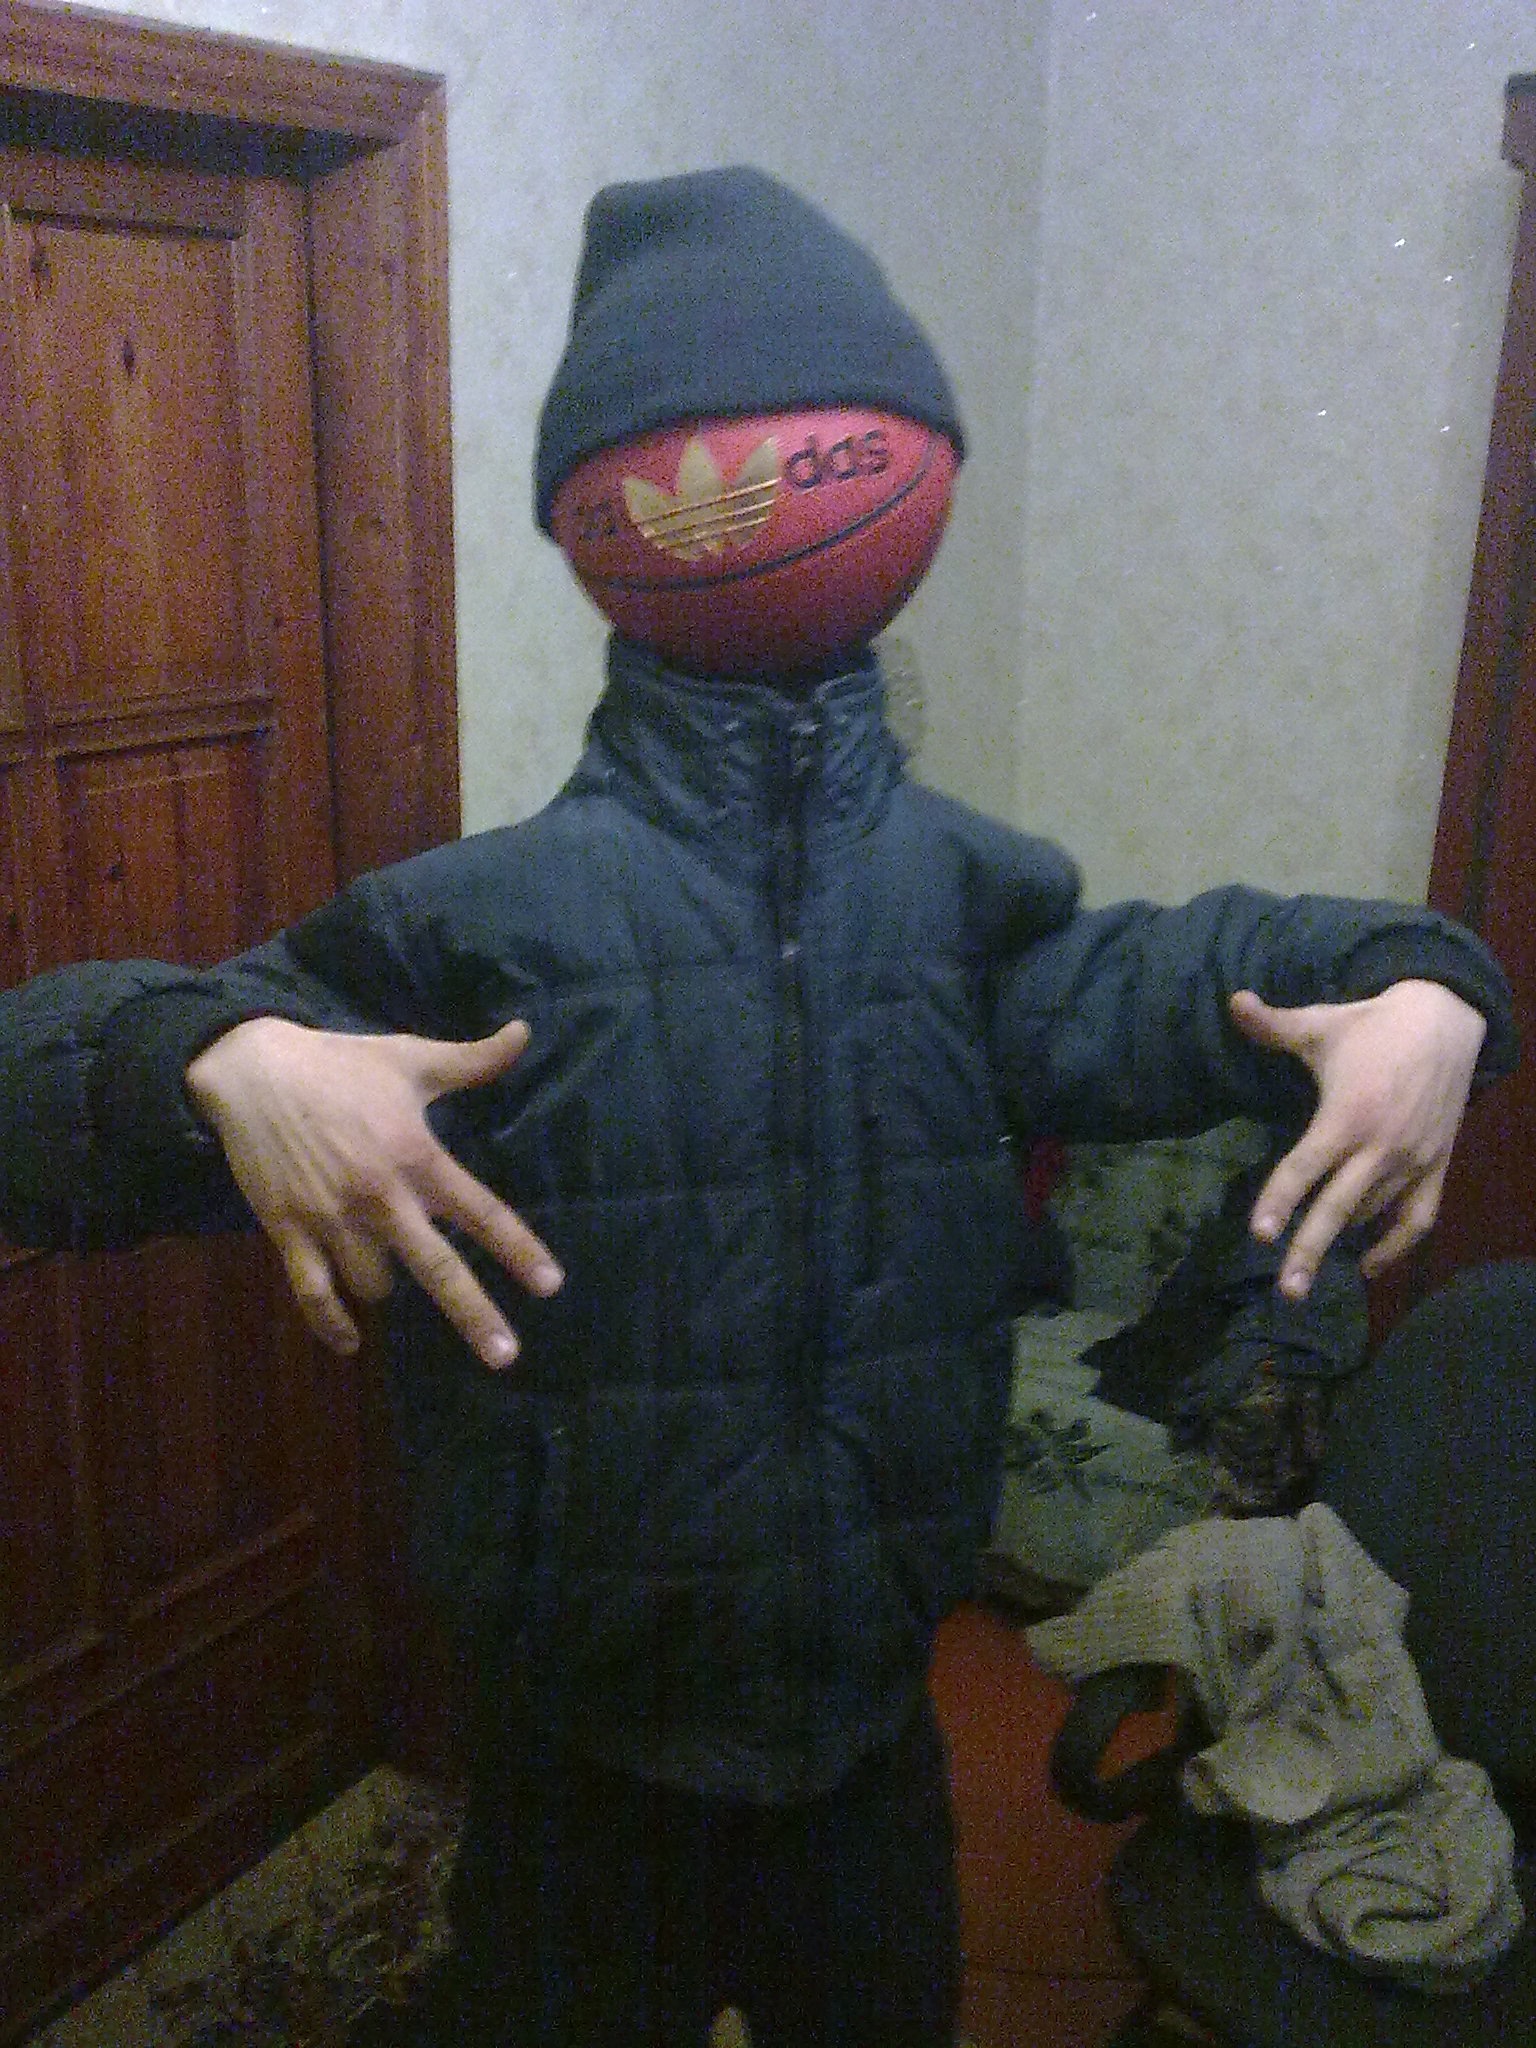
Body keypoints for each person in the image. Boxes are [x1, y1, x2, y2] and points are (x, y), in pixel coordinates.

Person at [0, 168, 1515, 2048]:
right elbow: (29, 1099)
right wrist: (211, 1055)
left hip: (870, 1759)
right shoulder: (481, 935)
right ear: (606, 506)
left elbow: (1222, 961)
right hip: (576, 1773)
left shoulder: (968, 915)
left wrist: (1431, 983)